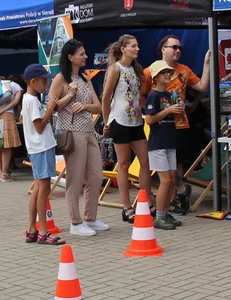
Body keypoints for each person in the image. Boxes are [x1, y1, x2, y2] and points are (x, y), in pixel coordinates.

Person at [141, 36, 212, 215]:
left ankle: (172, 202)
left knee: (177, 165)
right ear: (163, 49)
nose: (178, 51)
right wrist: (151, 109)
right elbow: (139, 94)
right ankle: (171, 199)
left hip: (180, 124)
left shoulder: (184, 70)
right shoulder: (151, 72)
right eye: (174, 47)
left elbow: (202, 86)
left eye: (180, 48)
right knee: (166, 170)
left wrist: (206, 64)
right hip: (161, 125)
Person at [50, 39, 108, 237]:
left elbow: (98, 106)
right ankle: (76, 222)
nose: (85, 56)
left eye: (84, 53)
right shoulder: (61, 79)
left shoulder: (84, 77)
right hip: (71, 131)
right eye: (81, 54)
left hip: (89, 130)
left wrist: (85, 106)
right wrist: (70, 95)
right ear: (70, 57)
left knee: (96, 176)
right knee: (74, 179)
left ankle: (90, 217)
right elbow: (52, 106)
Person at [102, 34, 153, 223]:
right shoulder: (116, 69)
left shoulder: (135, 69)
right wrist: (107, 122)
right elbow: (106, 97)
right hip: (120, 120)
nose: (137, 49)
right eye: (133, 46)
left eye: (137, 45)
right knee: (123, 163)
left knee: (145, 160)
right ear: (123, 49)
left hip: (136, 120)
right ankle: (125, 206)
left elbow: (139, 96)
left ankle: (146, 201)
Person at [22, 63, 64, 245]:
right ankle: (43, 231)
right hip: (41, 147)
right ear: (33, 81)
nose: (46, 85)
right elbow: (39, 127)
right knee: (43, 189)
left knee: (38, 189)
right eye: (43, 81)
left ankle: (33, 229)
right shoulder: (31, 100)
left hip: (38, 147)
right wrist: (50, 109)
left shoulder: (29, 99)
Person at [144, 60, 185, 230]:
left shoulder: (168, 95)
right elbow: (150, 119)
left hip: (169, 141)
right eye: (163, 73)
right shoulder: (153, 95)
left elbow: (168, 118)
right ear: (155, 77)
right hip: (158, 143)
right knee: (166, 180)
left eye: (169, 72)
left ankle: (165, 212)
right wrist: (168, 111)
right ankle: (159, 216)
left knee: (172, 179)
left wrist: (178, 110)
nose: (168, 74)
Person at [0, 75, 23, 181]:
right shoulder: (16, 86)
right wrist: (1, 111)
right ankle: (5, 173)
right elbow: (16, 102)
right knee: (7, 146)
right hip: (7, 115)